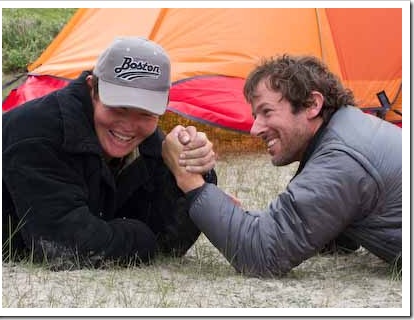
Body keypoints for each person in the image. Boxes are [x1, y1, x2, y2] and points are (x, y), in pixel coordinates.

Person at [162, 54, 402, 277]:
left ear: (312, 104)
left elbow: (261, 254)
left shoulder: (341, 159)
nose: (255, 128)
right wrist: (227, 212)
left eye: (267, 112)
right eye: (256, 116)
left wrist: (191, 182)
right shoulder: (349, 131)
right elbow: (332, 237)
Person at [2, 36, 217, 270]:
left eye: (145, 113)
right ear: (92, 88)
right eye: (118, 108)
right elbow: (64, 245)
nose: (129, 125)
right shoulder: (37, 131)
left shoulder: (149, 142)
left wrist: (194, 170)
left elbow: (170, 244)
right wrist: (141, 237)